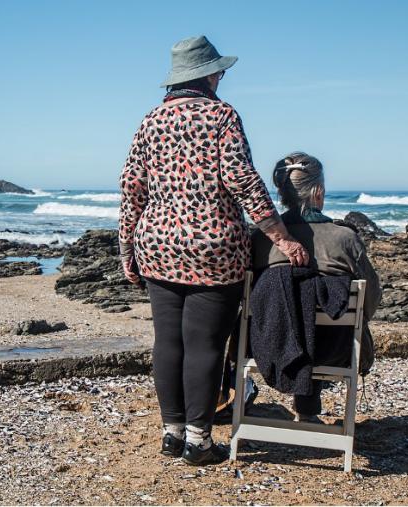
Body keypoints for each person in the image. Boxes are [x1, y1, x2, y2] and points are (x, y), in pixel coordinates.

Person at [118, 35, 310, 465]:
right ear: (208, 75)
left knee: (167, 341)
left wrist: (126, 248)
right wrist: (281, 236)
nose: (221, 77)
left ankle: (171, 433)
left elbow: (132, 187)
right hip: (214, 248)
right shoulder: (221, 115)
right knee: (204, 344)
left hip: (158, 243)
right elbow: (242, 179)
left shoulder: (151, 120)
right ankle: (198, 441)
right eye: (219, 71)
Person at [251, 152, 382, 422]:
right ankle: (308, 412)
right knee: (321, 322)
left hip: (267, 346)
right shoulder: (345, 238)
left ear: (282, 192)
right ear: (318, 191)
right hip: (334, 349)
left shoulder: (261, 239)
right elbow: (371, 299)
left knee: (292, 311)